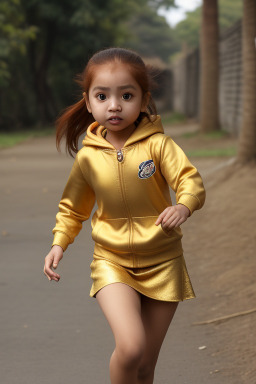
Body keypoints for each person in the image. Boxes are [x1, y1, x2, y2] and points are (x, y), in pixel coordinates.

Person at [43, 47, 205, 384]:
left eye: (126, 95)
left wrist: (182, 205)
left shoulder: (159, 146)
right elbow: (73, 207)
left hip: (163, 262)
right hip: (112, 261)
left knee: (145, 366)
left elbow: (189, 180)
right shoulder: (88, 158)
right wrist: (59, 243)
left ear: (143, 100)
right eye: (102, 95)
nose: (114, 105)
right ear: (88, 102)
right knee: (130, 349)